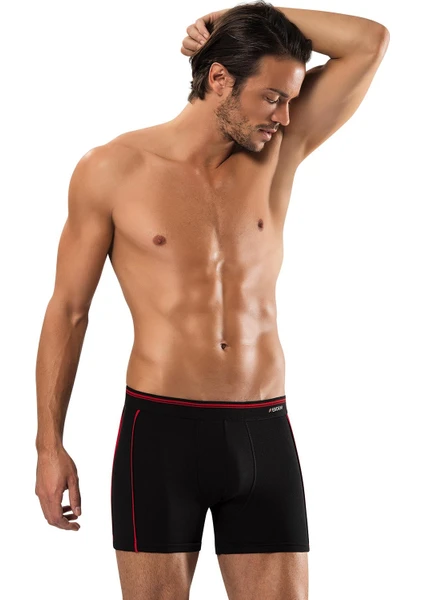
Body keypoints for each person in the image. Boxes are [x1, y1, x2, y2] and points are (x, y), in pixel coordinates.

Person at [34, 2, 389, 599]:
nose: (285, 114)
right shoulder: (112, 169)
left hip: (263, 429)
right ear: (219, 78)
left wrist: (234, 16)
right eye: (271, 97)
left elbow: (370, 41)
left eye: (290, 99)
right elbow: (68, 311)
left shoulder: (276, 152)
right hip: (160, 434)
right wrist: (49, 445)